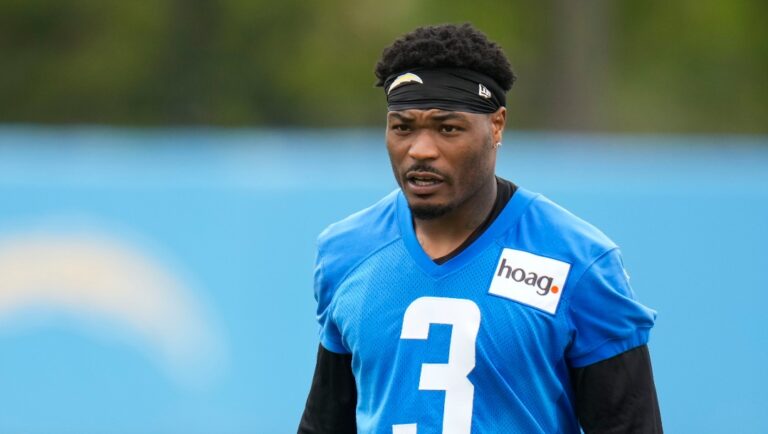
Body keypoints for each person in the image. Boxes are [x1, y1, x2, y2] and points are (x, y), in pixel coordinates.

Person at [298, 23, 662, 434]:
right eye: (403, 127)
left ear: (497, 125)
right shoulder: (346, 251)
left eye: (447, 128)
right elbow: (325, 422)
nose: (420, 149)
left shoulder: (578, 262)